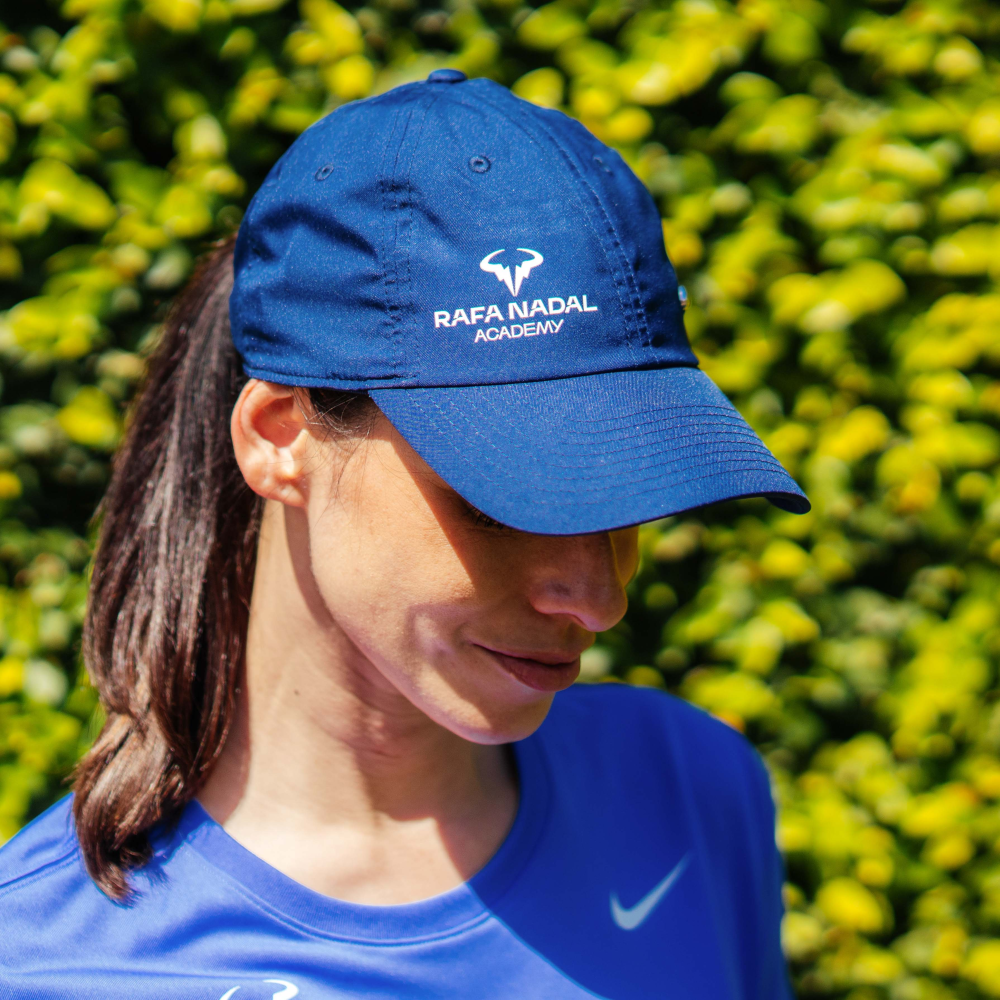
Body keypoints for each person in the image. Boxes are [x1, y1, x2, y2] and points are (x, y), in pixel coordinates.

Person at [0, 70, 808, 1000]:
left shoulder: (690, 793)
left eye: (622, 492)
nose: (598, 597)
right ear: (280, 439)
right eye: (500, 500)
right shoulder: (51, 968)